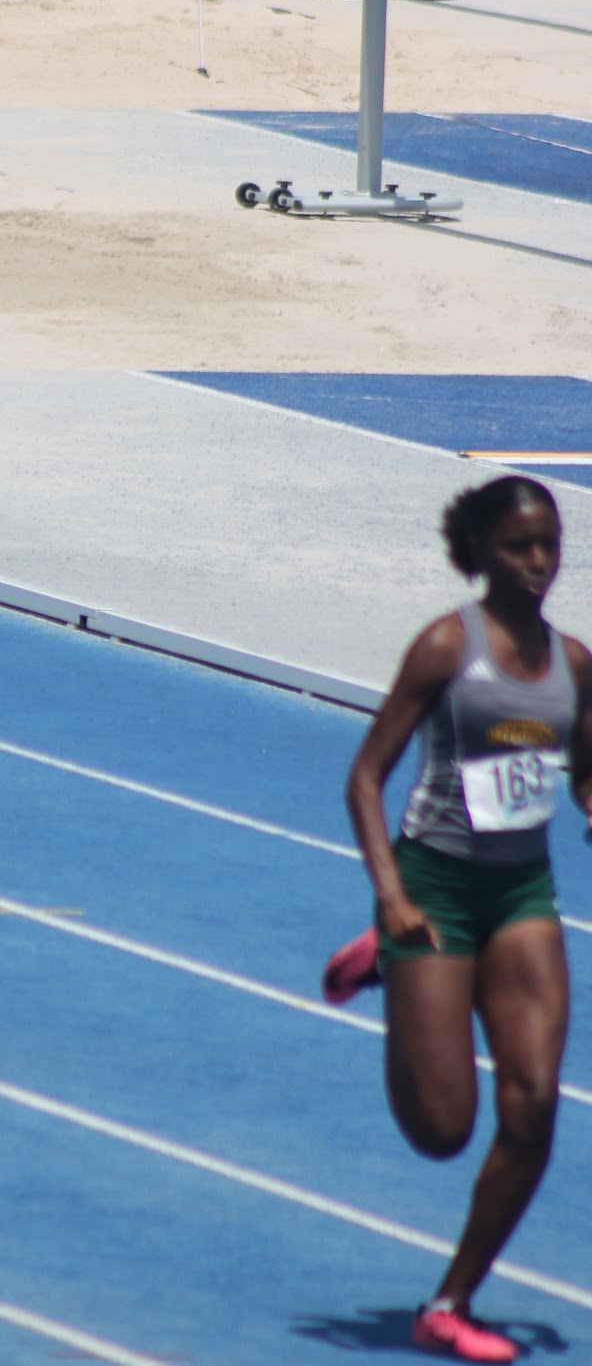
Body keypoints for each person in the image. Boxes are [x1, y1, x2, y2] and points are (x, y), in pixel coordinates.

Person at [322, 477, 592, 1363]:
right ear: (481, 553)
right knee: (443, 1130)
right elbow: (366, 777)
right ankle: (386, 958)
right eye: (520, 546)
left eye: (550, 544)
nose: (540, 562)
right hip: (431, 891)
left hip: (521, 896)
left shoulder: (575, 664)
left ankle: (451, 1301)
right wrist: (393, 896)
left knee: (535, 1103)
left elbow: (580, 767)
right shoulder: (447, 646)